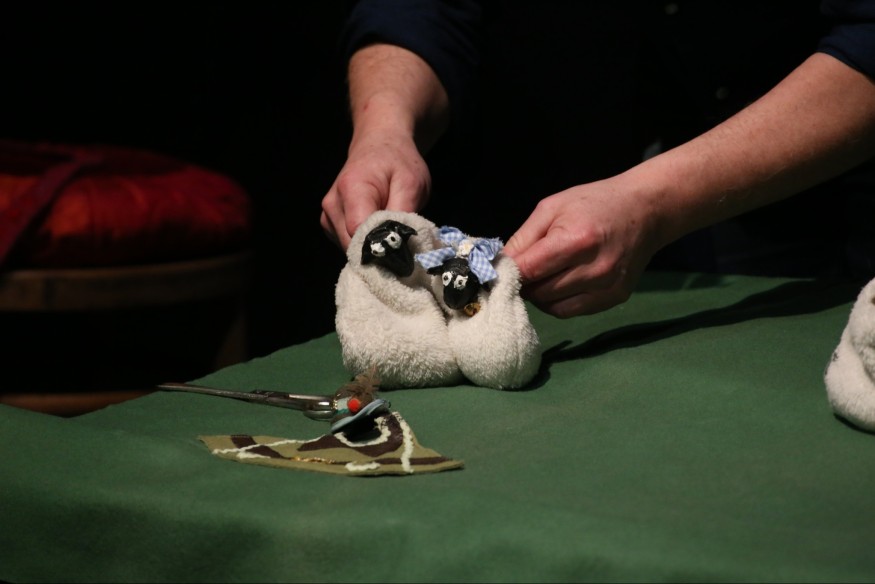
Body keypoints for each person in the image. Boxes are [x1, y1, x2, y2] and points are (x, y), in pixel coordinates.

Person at [321, 1, 875, 318]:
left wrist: (654, 201)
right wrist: (384, 128)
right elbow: (420, 8)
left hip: (809, 222)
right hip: (554, 238)